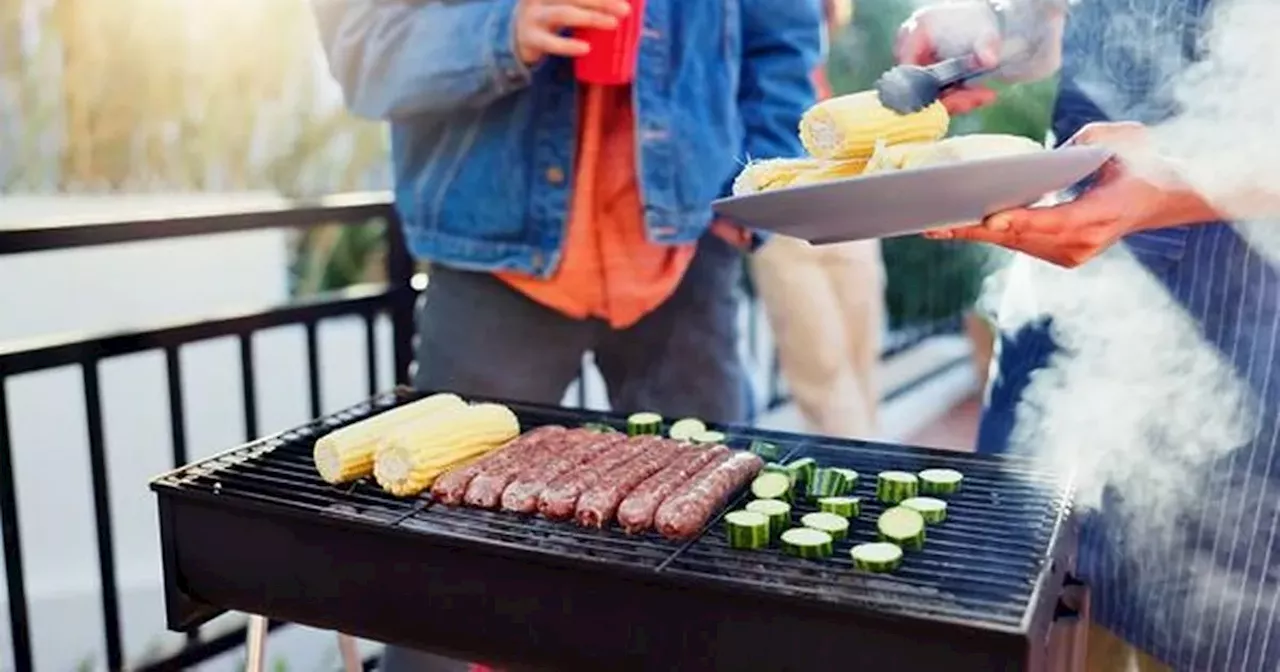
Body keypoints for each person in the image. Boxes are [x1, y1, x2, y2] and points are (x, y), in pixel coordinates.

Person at [311, 0, 822, 670]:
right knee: (437, 569)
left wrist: (744, 201)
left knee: (719, 564)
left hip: (689, 255)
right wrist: (503, 30)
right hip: (489, 265)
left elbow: (783, 40)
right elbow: (360, 48)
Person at [898, 0, 1280, 670]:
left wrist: (1177, 179)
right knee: (1020, 618)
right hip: (1060, 319)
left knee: (1210, 634)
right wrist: (1000, 29)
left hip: (1245, 348)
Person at [749, 0, 888, 440]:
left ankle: (869, 472)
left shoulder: (819, 26)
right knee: (822, 370)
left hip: (845, 195)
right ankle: (856, 476)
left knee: (863, 362)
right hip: (782, 210)